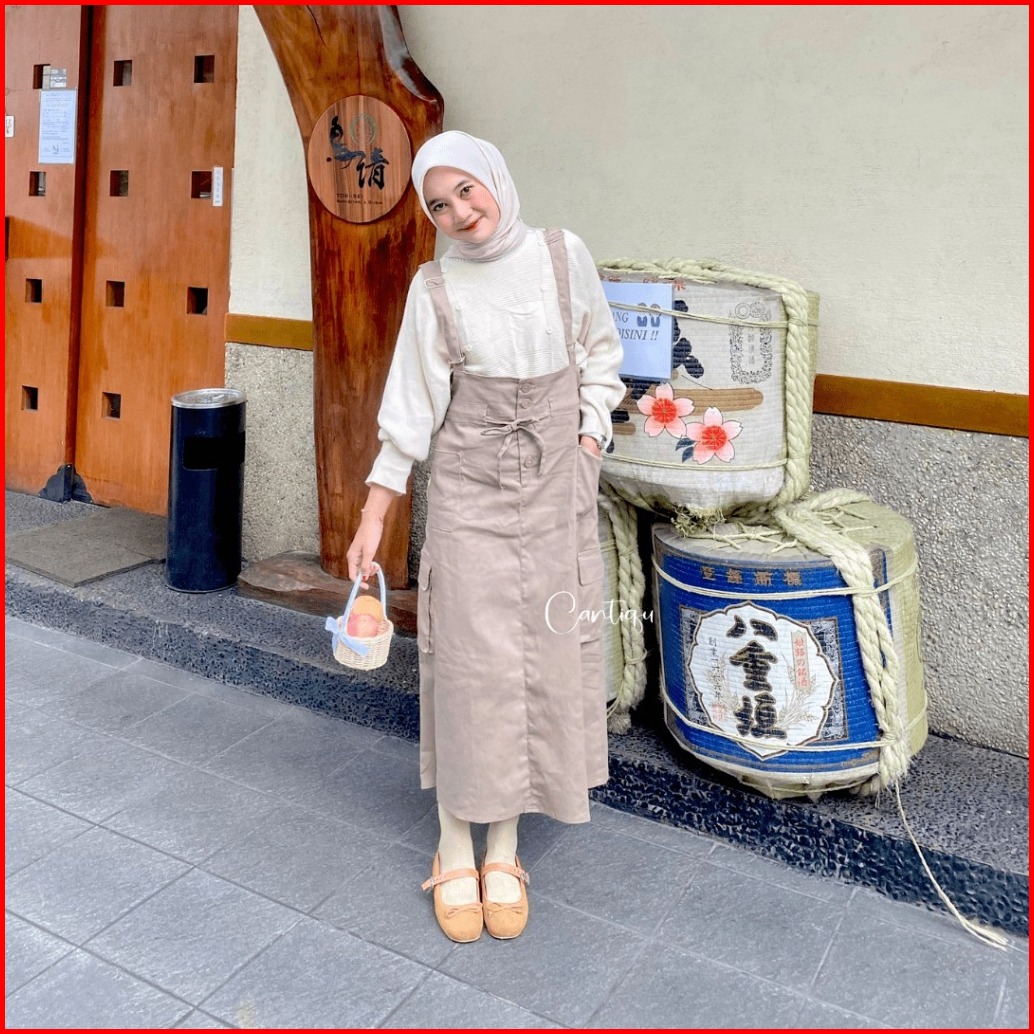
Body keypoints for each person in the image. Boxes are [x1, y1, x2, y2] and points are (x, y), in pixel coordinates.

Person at [346, 130, 625, 942]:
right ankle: (453, 844)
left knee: (542, 660)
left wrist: (589, 440)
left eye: (467, 190)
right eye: (439, 205)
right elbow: (409, 411)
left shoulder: (563, 255)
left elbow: (601, 356)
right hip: (470, 493)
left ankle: (504, 849)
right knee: (471, 666)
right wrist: (374, 514)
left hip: (557, 490)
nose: (460, 213)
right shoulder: (435, 287)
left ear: (495, 180)